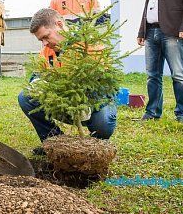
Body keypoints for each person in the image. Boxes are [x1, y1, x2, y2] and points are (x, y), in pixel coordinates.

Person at [18, 8, 117, 155]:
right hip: (63, 101)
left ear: (59, 24)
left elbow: (104, 85)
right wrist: (37, 83)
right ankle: (54, 143)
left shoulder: (88, 45)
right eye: (41, 40)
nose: (44, 43)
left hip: (93, 101)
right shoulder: (47, 51)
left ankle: (94, 146)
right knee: (25, 97)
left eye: (46, 36)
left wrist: (86, 103)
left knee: (102, 123)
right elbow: (36, 75)